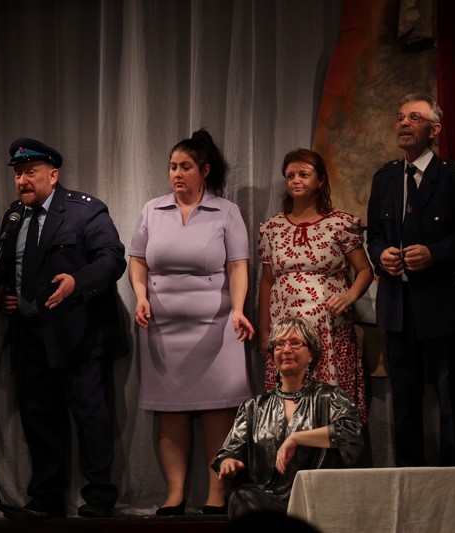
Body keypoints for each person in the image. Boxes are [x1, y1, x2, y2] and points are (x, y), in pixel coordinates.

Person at [0, 138, 125, 519]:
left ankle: (99, 496)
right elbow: (7, 269)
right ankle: (46, 497)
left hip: (77, 332)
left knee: (90, 415)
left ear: (53, 175)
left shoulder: (83, 210)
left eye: (30, 172)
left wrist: (77, 282)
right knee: (39, 417)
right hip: (29, 334)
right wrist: (3, 296)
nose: (22, 180)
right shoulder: (13, 216)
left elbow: (112, 257)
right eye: (18, 173)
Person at [128, 129, 255, 515]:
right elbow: (137, 261)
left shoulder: (226, 212)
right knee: (171, 410)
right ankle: (175, 494)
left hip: (217, 328)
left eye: (185, 167)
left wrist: (238, 309)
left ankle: (216, 494)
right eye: (172, 167)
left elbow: (237, 267)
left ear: (204, 171)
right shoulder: (153, 210)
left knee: (218, 410)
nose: (177, 174)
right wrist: (140, 296)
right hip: (163, 329)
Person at [366, 94, 455, 466]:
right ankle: (409, 479)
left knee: (454, 399)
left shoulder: (454, 177)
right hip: (398, 306)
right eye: (400, 117)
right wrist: (381, 255)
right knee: (404, 401)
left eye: (414, 118)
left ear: (434, 129)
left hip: (444, 304)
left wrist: (435, 253)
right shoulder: (385, 177)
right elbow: (374, 235)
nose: (403, 123)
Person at [258, 149, 372, 424]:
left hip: (329, 332)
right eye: (290, 176)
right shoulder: (272, 228)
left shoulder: (340, 224)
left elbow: (365, 270)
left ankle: (330, 448)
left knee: (329, 407)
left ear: (320, 181)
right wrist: (264, 332)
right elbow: (267, 281)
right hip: (286, 333)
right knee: (289, 406)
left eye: (303, 174)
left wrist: (349, 296)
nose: (295, 180)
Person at [212, 317, 363, 519]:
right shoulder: (254, 407)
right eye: (279, 344)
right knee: (242, 497)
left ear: (311, 354)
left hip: (316, 499)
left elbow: (351, 435)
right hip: (265, 501)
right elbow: (230, 451)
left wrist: (296, 438)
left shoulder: (331, 397)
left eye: (295, 343)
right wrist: (229, 462)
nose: (286, 349)